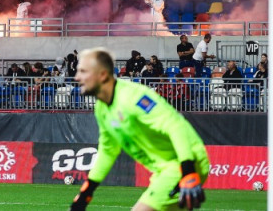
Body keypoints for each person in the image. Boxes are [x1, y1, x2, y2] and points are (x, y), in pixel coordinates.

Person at [70, 48, 208, 211]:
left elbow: (175, 126)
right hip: (163, 170)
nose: (77, 77)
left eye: (83, 71)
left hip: (184, 163)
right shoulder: (101, 108)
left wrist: (188, 171)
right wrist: (85, 194)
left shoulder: (133, 97)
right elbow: (108, 150)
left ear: (102, 75)